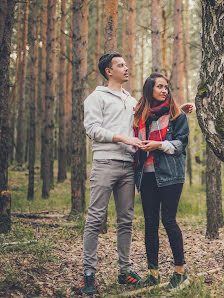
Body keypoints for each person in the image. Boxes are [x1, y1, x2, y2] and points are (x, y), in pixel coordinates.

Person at [81, 53, 143, 295]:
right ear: (109, 71)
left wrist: (180, 109)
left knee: (126, 221)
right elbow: (92, 129)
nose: (126, 68)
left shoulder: (132, 99)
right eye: (120, 65)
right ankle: (89, 273)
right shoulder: (96, 98)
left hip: (129, 165)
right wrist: (121, 137)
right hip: (105, 162)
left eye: (126, 64)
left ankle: (124, 270)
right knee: (95, 218)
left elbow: (151, 114)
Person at [133, 73, 190, 290]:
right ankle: (153, 273)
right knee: (150, 224)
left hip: (170, 176)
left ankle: (180, 273)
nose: (164, 90)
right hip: (146, 176)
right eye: (159, 86)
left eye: (166, 86)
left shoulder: (176, 115)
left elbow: (181, 143)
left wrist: (159, 145)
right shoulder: (140, 116)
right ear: (150, 89)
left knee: (168, 220)